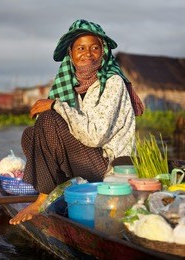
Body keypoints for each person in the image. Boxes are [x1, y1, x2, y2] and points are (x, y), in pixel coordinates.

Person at [9, 19, 144, 225]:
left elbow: (95, 136)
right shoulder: (74, 86)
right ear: (71, 54)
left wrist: (57, 106)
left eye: (94, 48)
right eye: (80, 48)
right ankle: (58, 187)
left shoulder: (112, 82)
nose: (87, 53)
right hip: (88, 160)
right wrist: (58, 107)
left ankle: (42, 199)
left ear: (103, 52)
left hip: (109, 169)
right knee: (31, 133)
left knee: (49, 117)